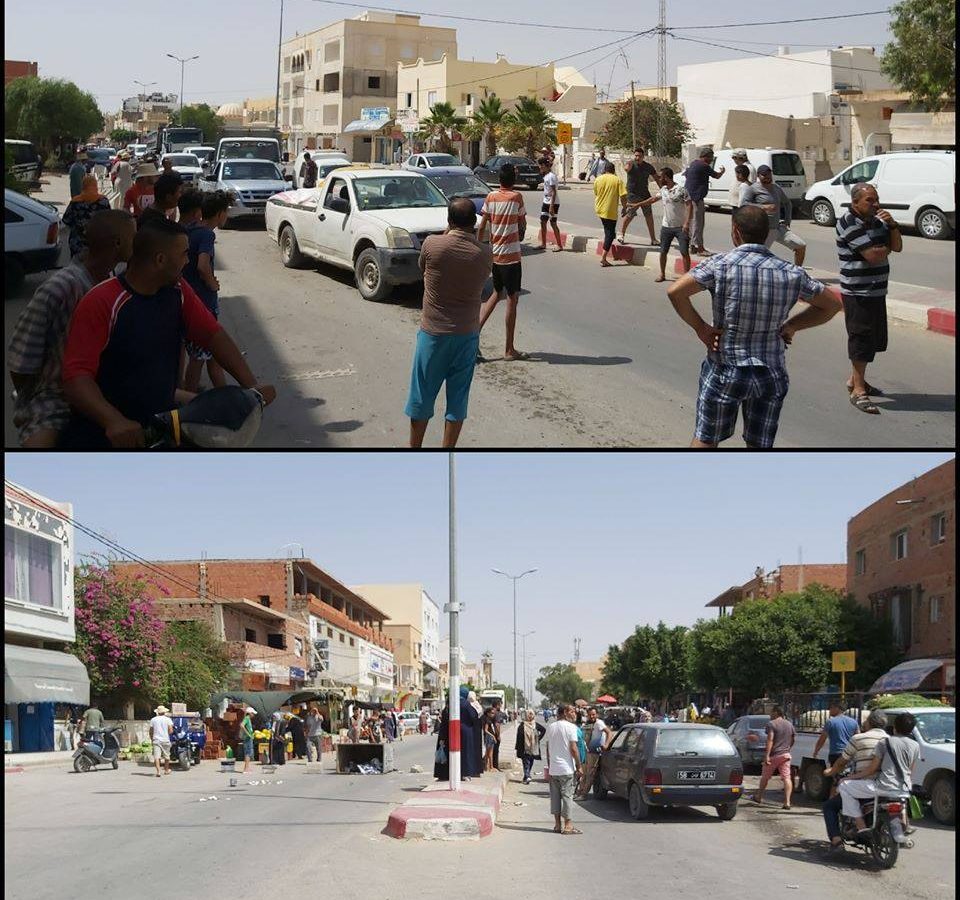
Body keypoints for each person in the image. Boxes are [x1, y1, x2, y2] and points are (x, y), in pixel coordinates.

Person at [59, 216, 276, 448]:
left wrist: (251, 384)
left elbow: (213, 335)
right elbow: (76, 376)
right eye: (184, 254)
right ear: (160, 260)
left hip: (163, 425)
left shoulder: (178, 291)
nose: (188, 261)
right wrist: (113, 421)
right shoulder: (103, 301)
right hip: (107, 433)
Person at [666, 205, 841, 448]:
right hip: (771, 372)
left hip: (726, 368)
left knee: (706, 439)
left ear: (735, 232)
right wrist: (792, 325)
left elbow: (676, 292)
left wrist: (701, 328)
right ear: (767, 234)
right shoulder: (791, 272)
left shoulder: (720, 264)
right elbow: (831, 305)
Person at [8, 210, 136, 447]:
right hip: (55, 400)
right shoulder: (61, 287)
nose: (137, 242)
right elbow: (20, 363)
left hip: (101, 392)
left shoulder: (113, 281)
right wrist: (34, 397)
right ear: (118, 243)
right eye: (133, 236)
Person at [406, 198, 492, 447]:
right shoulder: (484, 254)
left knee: (422, 397)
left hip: (433, 333)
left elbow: (423, 266)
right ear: (473, 223)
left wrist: (447, 232)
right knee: (458, 400)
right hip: (467, 336)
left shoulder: (433, 244)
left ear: (449, 221)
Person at [836, 182, 903, 415]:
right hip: (858, 292)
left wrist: (892, 225)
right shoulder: (847, 222)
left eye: (876, 199)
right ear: (855, 202)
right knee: (860, 338)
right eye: (870, 200)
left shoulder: (878, 222)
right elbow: (873, 255)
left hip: (877, 290)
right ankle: (858, 391)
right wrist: (884, 247)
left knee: (874, 340)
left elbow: (898, 246)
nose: (876, 204)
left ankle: (855, 379)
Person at [824, 712, 919, 851]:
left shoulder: (883, 742)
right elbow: (909, 771)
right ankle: (903, 825)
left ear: (894, 728)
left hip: (879, 786)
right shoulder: (914, 745)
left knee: (840, 791)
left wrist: (847, 777)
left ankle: (858, 826)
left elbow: (870, 769)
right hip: (904, 788)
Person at [182, 190, 232, 393]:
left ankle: (226, 396)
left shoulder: (191, 229)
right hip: (203, 303)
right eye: (226, 212)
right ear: (219, 214)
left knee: (212, 355)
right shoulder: (207, 235)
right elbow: (203, 265)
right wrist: (212, 283)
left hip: (191, 298)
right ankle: (190, 398)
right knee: (199, 358)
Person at [477, 163, 528, 361]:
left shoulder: (491, 197)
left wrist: (480, 246)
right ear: (513, 181)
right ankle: (509, 349)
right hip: (512, 257)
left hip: (495, 255)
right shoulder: (517, 198)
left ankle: (474, 336)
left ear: (499, 180)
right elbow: (522, 222)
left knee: (496, 294)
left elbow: (482, 225)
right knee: (512, 299)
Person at [632, 166, 692, 283]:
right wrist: (637, 204)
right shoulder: (663, 189)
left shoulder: (681, 190)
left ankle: (686, 277)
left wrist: (687, 223)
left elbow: (689, 205)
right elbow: (653, 199)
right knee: (663, 251)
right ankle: (662, 274)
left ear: (666, 177)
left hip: (680, 227)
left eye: (661, 177)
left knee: (684, 252)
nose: (659, 179)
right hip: (666, 227)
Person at [740, 164, 806, 267]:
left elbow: (787, 203)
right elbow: (744, 204)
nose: (767, 177)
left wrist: (787, 220)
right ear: (758, 176)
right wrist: (764, 207)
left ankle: (798, 271)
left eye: (769, 174)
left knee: (800, 246)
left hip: (778, 228)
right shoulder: (753, 189)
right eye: (764, 175)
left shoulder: (776, 188)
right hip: (764, 230)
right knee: (757, 258)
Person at [544, 703, 583, 834]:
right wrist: (579, 766)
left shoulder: (551, 727)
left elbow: (548, 749)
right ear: (565, 712)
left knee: (555, 797)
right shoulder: (571, 727)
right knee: (567, 796)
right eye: (571, 711)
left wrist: (550, 766)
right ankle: (568, 825)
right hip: (566, 769)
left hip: (554, 769)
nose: (573, 713)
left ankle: (557, 825)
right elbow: (573, 748)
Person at [750, 705, 796, 809]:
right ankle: (787, 802)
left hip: (774, 755)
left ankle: (759, 797)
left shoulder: (772, 724)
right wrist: (788, 748)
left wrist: (767, 755)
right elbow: (793, 739)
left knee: (765, 777)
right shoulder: (789, 724)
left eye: (771, 712)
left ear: (776, 712)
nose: (770, 715)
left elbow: (770, 739)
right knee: (786, 778)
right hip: (785, 755)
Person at [683, 148, 725, 255]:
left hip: (688, 198)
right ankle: (700, 248)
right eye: (711, 157)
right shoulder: (704, 166)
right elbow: (717, 176)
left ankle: (692, 245)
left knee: (692, 222)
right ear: (706, 156)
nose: (711, 160)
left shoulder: (693, 163)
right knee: (698, 223)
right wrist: (722, 171)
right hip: (696, 199)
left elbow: (686, 174)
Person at [62, 175, 113, 258]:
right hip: (97, 242)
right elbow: (109, 221)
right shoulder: (103, 201)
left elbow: (66, 220)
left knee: (77, 268)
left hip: (77, 244)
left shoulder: (76, 202)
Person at [619, 148, 659, 246]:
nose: (637, 158)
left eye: (639, 156)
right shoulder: (631, 163)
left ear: (643, 156)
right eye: (636, 155)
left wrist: (662, 188)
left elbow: (656, 178)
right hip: (632, 194)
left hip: (645, 194)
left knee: (649, 216)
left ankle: (653, 239)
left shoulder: (648, 167)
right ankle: (621, 235)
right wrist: (628, 166)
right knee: (629, 215)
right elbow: (626, 168)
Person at [594, 160, 627, 267]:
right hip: (610, 211)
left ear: (605, 170)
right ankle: (603, 258)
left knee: (609, 232)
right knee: (609, 234)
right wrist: (624, 207)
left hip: (599, 209)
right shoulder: (617, 180)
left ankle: (607, 248)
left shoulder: (598, 179)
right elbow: (623, 196)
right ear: (613, 170)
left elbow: (596, 192)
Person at [576, 706, 612, 799]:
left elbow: (609, 732)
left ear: (597, 715)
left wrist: (606, 745)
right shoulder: (587, 723)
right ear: (587, 715)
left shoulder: (599, 723)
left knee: (589, 774)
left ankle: (584, 794)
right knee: (583, 773)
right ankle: (580, 792)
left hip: (594, 753)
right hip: (585, 752)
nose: (592, 716)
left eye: (593, 714)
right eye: (590, 715)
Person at [814, 700, 860, 770]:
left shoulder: (830, 722)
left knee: (835, 774)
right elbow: (858, 737)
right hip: (850, 753)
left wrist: (816, 751)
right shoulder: (854, 722)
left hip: (836, 753)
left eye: (831, 708)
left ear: (837, 708)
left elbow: (822, 739)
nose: (829, 710)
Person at [538, 157, 562, 251]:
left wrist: (551, 206)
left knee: (553, 223)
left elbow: (553, 192)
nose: (539, 167)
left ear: (544, 165)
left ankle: (559, 245)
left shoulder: (551, 176)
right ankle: (543, 244)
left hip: (553, 203)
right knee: (542, 221)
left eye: (540, 166)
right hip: (546, 201)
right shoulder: (546, 175)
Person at [515, 709, 545, 784]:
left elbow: (543, 730)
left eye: (531, 714)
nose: (530, 716)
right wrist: (517, 747)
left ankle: (526, 777)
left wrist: (538, 739)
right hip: (524, 748)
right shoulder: (522, 725)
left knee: (531, 762)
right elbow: (518, 737)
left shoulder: (535, 725)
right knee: (526, 762)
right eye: (529, 714)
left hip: (533, 748)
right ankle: (527, 776)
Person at [149, 704, 174, 777]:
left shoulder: (153, 719)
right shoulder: (168, 719)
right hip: (165, 740)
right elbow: (171, 730)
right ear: (164, 712)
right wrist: (166, 733)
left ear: (157, 712)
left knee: (157, 757)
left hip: (156, 740)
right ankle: (166, 770)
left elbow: (151, 731)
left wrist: (152, 738)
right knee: (167, 756)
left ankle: (158, 772)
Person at [239, 706, 256, 774]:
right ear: (250, 713)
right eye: (253, 713)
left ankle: (247, 768)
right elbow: (242, 725)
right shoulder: (246, 718)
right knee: (248, 753)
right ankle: (246, 769)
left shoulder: (248, 719)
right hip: (247, 738)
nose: (253, 715)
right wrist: (248, 734)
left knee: (248, 753)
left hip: (249, 738)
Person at [482, 706, 497, 771]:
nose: (493, 714)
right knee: (490, 753)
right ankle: (491, 767)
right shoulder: (487, 720)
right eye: (491, 713)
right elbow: (485, 730)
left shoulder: (487, 719)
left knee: (487, 753)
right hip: (489, 737)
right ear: (488, 713)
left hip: (488, 736)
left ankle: (486, 766)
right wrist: (493, 736)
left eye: (493, 713)